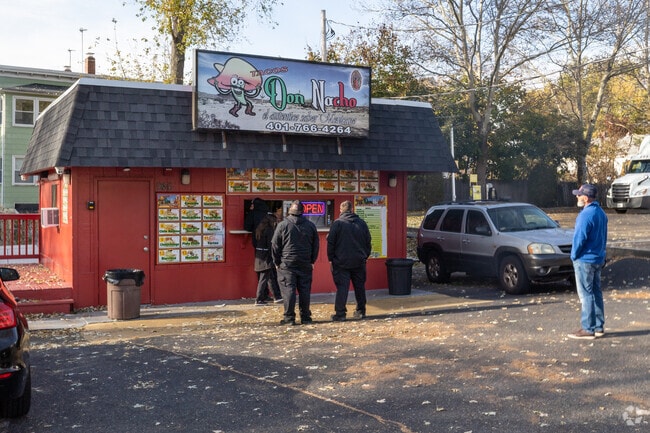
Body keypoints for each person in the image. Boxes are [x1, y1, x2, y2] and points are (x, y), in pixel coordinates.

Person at [568, 183, 608, 340]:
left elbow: (579, 238)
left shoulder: (585, 215)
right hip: (598, 257)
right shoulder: (601, 213)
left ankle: (588, 328)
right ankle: (598, 326)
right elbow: (603, 237)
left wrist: (573, 255)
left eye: (579, 195)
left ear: (585, 198)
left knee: (586, 294)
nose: (577, 197)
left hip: (585, 259)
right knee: (596, 292)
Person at [271, 200, 319, 325]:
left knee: (289, 291)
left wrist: (276, 262)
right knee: (304, 291)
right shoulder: (310, 225)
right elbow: (316, 246)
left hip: (287, 263)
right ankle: (306, 317)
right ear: (303, 212)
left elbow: (275, 245)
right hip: (305, 262)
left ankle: (289, 318)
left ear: (289, 211)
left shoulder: (282, 225)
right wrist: (312, 261)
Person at [327, 200, 372, 321]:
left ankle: (340, 313)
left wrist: (331, 259)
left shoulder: (337, 224)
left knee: (342, 288)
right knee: (360, 287)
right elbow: (368, 242)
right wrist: (365, 256)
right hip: (359, 261)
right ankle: (361, 311)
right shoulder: (362, 223)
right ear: (352, 210)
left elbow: (330, 243)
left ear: (341, 210)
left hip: (341, 262)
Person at [253, 213, 283, 305]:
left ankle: (276, 297)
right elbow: (271, 245)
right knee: (264, 278)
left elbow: (254, 243)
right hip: (266, 257)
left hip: (259, 256)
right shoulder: (269, 230)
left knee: (269, 278)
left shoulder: (258, 230)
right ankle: (259, 299)